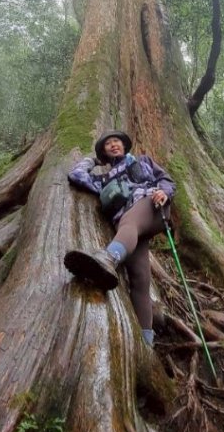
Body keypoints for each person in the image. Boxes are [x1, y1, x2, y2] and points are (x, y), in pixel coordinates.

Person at [65, 130, 175, 347]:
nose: (113, 145)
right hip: (130, 229)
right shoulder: (102, 179)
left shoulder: (142, 161)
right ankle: (146, 343)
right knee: (139, 279)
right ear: (104, 152)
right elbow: (77, 175)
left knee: (129, 223)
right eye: (108, 144)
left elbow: (166, 179)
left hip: (151, 206)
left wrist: (164, 192)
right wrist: (92, 161)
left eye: (116, 141)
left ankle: (109, 259)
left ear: (124, 145)